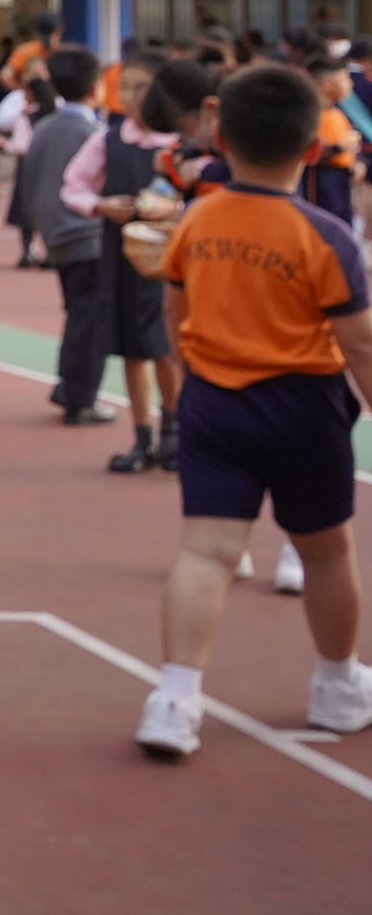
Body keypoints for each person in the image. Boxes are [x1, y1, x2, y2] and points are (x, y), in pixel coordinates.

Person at [132, 63, 372, 760]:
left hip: (214, 399)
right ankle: (337, 684)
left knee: (205, 551)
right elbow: (359, 342)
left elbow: (174, 314)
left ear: (222, 136)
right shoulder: (326, 234)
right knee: (326, 552)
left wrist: (198, 379)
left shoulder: (196, 220)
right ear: (312, 149)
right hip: (304, 404)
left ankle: (174, 698)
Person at [66, 59, 206, 476]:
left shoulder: (183, 145)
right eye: (124, 87)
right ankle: (142, 436)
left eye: (141, 87)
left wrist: (175, 210)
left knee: (167, 347)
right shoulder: (108, 139)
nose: (130, 96)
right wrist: (100, 205)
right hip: (125, 254)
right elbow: (73, 185)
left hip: (173, 258)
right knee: (132, 347)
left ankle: (175, 432)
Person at [16, 46, 117, 431]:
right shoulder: (95, 134)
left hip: (56, 233)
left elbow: (29, 181)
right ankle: (80, 397)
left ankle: (69, 385)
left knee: (78, 313)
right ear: (95, 87)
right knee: (90, 318)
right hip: (88, 233)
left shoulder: (43, 128)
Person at [305, 56, 360, 224]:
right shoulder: (310, 115)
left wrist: (357, 162)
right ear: (326, 83)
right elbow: (305, 153)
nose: (350, 84)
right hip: (321, 181)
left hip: (341, 180)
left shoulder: (337, 113)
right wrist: (338, 148)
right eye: (345, 78)